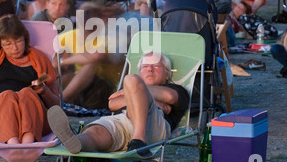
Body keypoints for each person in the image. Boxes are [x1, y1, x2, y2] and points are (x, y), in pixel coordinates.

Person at [47, 51, 189, 155]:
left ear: (167, 74)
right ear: (140, 72)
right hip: (123, 121)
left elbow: (170, 96)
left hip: (154, 127)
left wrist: (134, 91)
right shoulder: (131, 86)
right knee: (95, 132)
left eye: (156, 66)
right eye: (145, 66)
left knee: (130, 79)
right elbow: (112, 104)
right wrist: (137, 94)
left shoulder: (176, 89)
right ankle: (75, 141)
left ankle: (139, 141)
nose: (150, 69)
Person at [0, 14, 60, 144]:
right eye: (8, 44)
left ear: (25, 38)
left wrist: (44, 91)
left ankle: (27, 143)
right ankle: (13, 145)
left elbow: (56, 105)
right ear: (0, 44)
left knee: (27, 93)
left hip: (34, 119)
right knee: (7, 96)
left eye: (18, 41)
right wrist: (11, 99)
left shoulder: (40, 59)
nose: (15, 48)